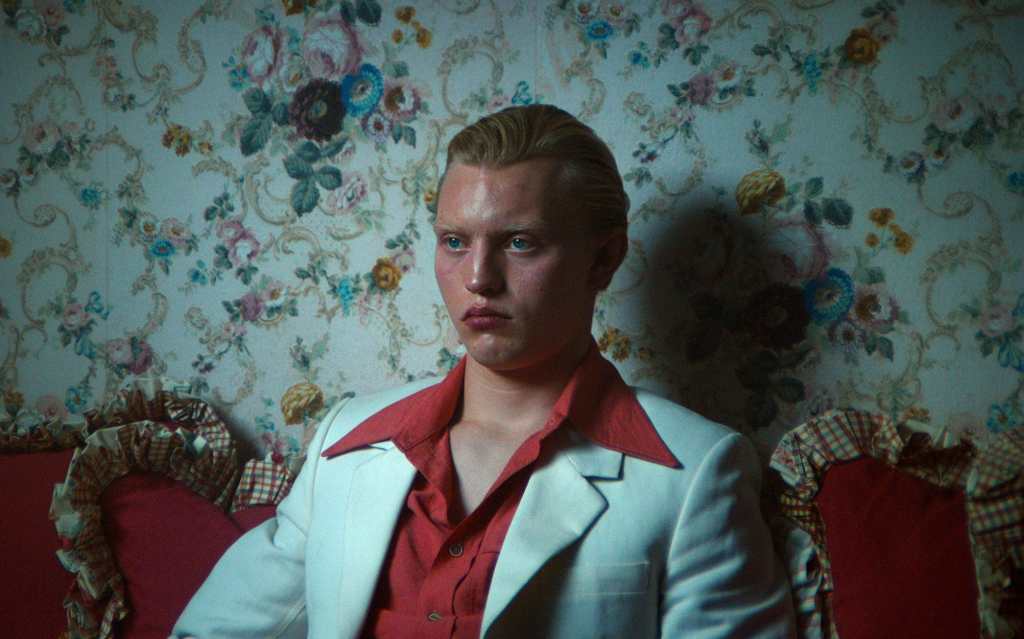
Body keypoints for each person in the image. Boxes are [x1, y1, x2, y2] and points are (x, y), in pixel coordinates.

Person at [173, 104, 795, 638]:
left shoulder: (698, 472)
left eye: (520, 242)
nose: (478, 278)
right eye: (454, 241)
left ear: (603, 258)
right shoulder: (346, 440)